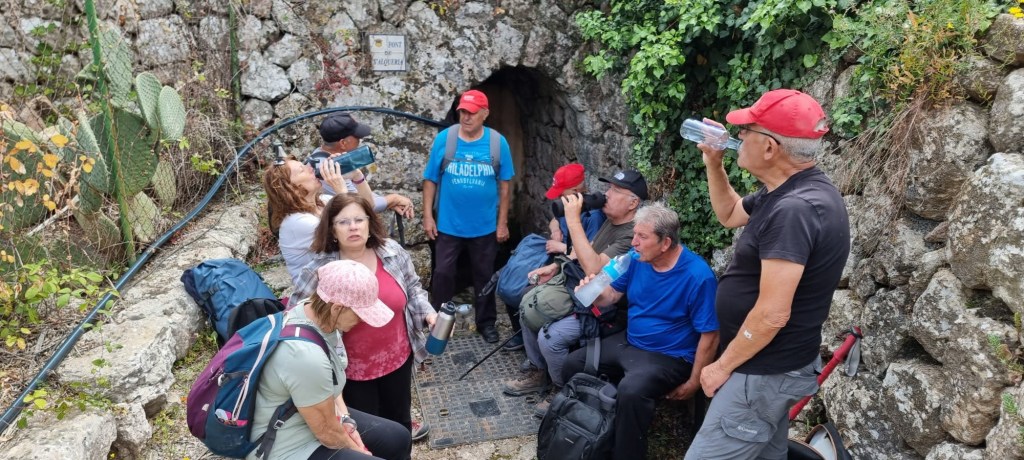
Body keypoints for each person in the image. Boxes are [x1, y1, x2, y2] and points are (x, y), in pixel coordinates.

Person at [685, 89, 850, 460]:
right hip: (772, 366)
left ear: (771, 148)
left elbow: (773, 313)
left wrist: (720, 366)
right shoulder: (789, 191)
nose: (738, 137)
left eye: (747, 131)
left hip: (762, 371)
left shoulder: (795, 209)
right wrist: (714, 164)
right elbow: (729, 214)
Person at [563, 202, 719, 460]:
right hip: (631, 342)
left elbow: (711, 335)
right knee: (573, 364)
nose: (634, 242)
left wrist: (694, 381)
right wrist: (590, 293)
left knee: (632, 390)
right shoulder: (636, 259)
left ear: (665, 243)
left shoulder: (697, 275)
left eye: (642, 237)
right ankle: (585, 436)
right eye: (635, 234)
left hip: (670, 355)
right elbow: (611, 296)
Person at [289, 193, 438, 442]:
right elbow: (297, 315)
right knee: (369, 433)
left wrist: (429, 314)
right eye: (343, 222)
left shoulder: (391, 252)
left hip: (398, 357)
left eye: (359, 219)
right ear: (332, 230)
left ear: (370, 223)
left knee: (400, 423)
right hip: (351, 370)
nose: (353, 226)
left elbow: (413, 289)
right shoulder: (319, 270)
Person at [503, 169, 646, 416]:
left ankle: (563, 391)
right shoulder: (610, 221)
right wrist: (555, 266)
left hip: (607, 308)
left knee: (552, 337)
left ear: (633, 203)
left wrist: (573, 220)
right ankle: (539, 372)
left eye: (615, 191)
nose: (606, 194)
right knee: (530, 302)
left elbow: (594, 267)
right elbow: (582, 253)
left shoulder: (631, 234)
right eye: (608, 188)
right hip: (581, 289)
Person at [251, 259, 412, 460]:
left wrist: (345, 419)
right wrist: (361, 452)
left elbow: (331, 385)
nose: (363, 321)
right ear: (337, 308)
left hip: (306, 413)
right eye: (360, 314)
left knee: (397, 438)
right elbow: (327, 433)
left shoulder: (316, 315)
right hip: (285, 444)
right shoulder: (305, 356)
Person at [421, 89, 515, 343]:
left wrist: (502, 223)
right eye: (462, 111)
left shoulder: (497, 143)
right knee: (443, 274)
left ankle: (486, 323)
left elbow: (504, 186)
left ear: (485, 114)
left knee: (484, 275)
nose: (466, 116)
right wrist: (428, 217)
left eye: (472, 112)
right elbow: (430, 180)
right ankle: (439, 324)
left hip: (484, 226)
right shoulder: (445, 139)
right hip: (448, 224)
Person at [263, 154, 374, 284]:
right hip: (317, 294)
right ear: (292, 188)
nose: (310, 168)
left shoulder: (322, 201)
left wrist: (357, 176)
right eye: (302, 170)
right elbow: (350, 233)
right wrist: (341, 190)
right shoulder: (297, 222)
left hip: (341, 277)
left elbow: (368, 208)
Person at [313, 112, 415, 219]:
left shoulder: (319, 155)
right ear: (343, 143)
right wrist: (394, 199)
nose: (359, 140)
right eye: (357, 137)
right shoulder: (329, 169)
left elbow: (363, 195)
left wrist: (385, 201)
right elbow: (362, 205)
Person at [544, 162, 606, 255]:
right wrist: (556, 230)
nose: (558, 197)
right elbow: (555, 220)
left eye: (560, 193)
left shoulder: (594, 216)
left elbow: (592, 254)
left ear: (575, 190)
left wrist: (562, 247)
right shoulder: (568, 204)